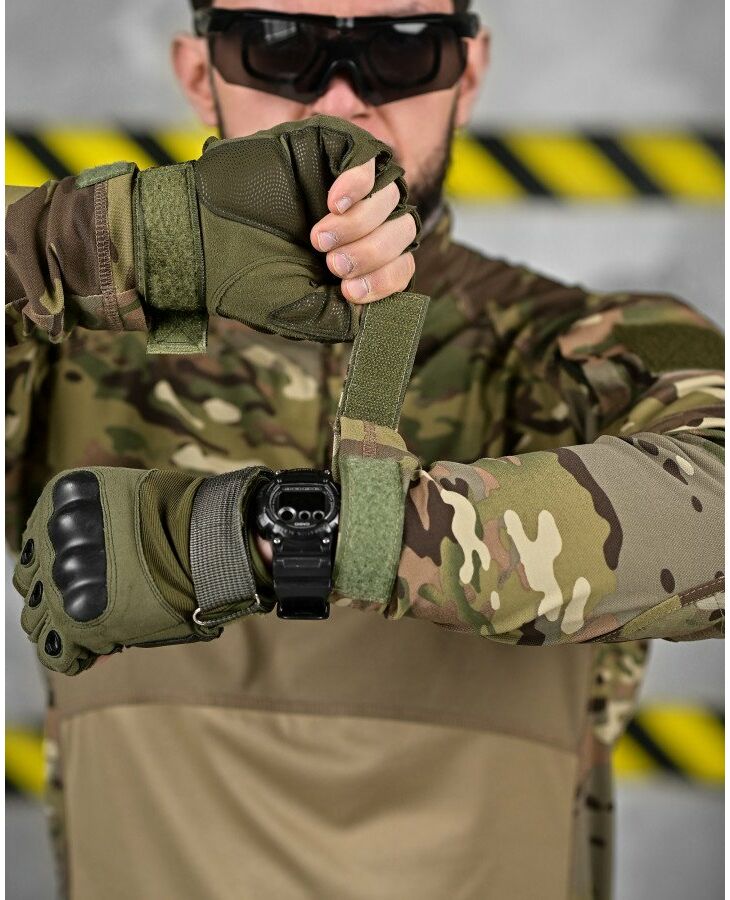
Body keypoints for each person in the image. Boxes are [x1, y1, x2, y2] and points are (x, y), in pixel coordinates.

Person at [5, 1, 724, 898]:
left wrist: (252, 541)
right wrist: (114, 240)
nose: (341, 99)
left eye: (402, 48)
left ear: (468, 74)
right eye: (277, 46)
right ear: (199, 72)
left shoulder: (578, 348)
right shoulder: (66, 347)